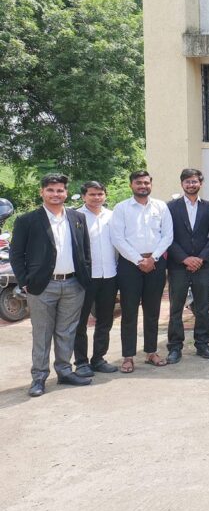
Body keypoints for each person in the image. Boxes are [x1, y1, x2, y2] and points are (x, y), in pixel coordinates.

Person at [11, 174, 92, 397]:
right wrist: (25, 282)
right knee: (42, 333)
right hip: (42, 286)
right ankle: (39, 377)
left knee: (67, 331)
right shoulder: (27, 220)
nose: (56, 195)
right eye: (51, 190)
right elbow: (16, 255)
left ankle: (65, 371)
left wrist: (85, 278)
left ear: (66, 193)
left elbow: (85, 251)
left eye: (60, 191)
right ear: (42, 192)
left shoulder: (77, 217)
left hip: (73, 284)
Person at [111, 170, 174, 371]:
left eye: (146, 182)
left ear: (151, 185)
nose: (143, 186)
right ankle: (128, 356)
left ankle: (151, 352)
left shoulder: (161, 206)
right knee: (129, 312)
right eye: (139, 183)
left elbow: (168, 236)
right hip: (130, 265)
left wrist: (153, 258)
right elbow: (118, 239)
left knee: (153, 310)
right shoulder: (121, 208)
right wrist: (139, 260)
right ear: (131, 185)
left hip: (155, 263)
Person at [166, 169, 209, 364]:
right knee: (176, 307)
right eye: (188, 181)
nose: (191, 184)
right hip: (178, 265)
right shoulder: (170, 207)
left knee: (203, 307)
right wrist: (185, 259)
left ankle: (203, 343)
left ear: (200, 184)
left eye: (195, 181)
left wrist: (199, 258)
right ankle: (174, 347)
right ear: (182, 184)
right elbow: (167, 236)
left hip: (203, 265)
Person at [73, 180, 119, 375]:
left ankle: (98, 358)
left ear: (105, 196)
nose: (97, 197)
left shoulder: (113, 216)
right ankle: (81, 362)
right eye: (92, 194)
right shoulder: (74, 217)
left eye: (100, 194)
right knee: (80, 321)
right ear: (84, 196)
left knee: (105, 320)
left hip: (109, 275)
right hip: (84, 278)